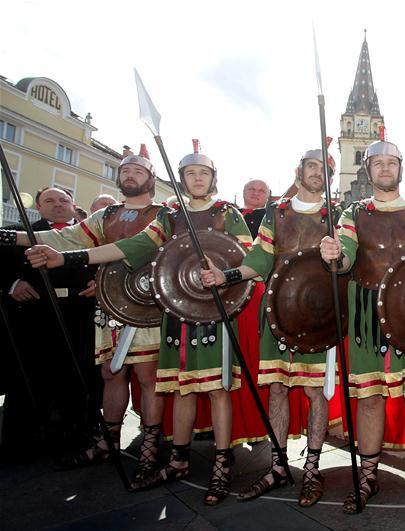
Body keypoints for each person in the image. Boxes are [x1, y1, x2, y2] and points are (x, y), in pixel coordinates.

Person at [26, 140, 252, 504]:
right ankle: (177, 458)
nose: (197, 178)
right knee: (180, 386)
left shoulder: (228, 212)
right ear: (181, 179)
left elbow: (247, 256)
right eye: (191, 173)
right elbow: (131, 248)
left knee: (217, 388)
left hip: (215, 311)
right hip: (177, 311)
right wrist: (70, 259)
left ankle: (222, 465)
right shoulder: (169, 215)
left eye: (204, 173)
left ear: (214, 179)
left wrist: (225, 274)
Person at [1, 145, 166, 481]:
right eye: (124, 170)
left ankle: (150, 447)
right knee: (110, 373)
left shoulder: (165, 214)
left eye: (137, 170)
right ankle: (109, 441)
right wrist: (6, 235)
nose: (129, 174)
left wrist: (69, 258)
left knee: (148, 378)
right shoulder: (104, 216)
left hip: (147, 304)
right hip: (109, 305)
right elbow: (63, 237)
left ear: (150, 178)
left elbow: (137, 248)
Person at [320, 130, 405, 513]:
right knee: (370, 397)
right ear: (368, 168)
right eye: (378, 162)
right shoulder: (353, 212)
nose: (385, 168)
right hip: (367, 316)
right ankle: (368, 476)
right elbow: (345, 257)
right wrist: (334, 255)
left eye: (391, 162)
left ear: (400, 169)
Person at [200, 146, 340, 506]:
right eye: (311, 166)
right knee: (277, 388)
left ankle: (311, 468)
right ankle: (278, 466)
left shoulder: (336, 214)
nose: (315, 173)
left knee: (314, 392)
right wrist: (226, 275)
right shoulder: (275, 213)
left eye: (323, 169)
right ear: (299, 171)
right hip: (277, 310)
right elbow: (259, 259)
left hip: (318, 314)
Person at [0, 187, 96, 462]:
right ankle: (18, 444)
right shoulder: (18, 233)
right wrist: (12, 283)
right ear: (39, 207)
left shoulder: (90, 235)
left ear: (74, 205)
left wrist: (100, 282)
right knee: (28, 379)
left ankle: (74, 441)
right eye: (50, 201)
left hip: (79, 315)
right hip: (33, 317)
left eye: (63, 200)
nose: (58, 205)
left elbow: (109, 263)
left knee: (76, 379)